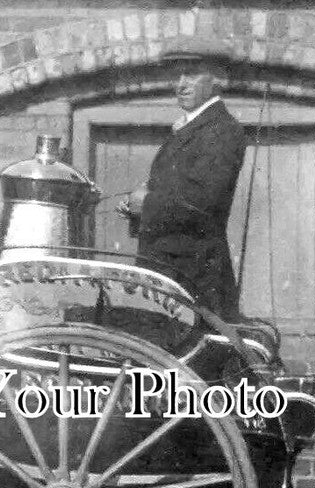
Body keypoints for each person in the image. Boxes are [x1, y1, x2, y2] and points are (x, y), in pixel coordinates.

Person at [119, 53, 246, 319]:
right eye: (178, 76)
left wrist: (147, 204)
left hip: (194, 273)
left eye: (192, 75)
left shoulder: (222, 130)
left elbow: (203, 199)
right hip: (169, 267)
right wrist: (137, 206)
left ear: (217, 80)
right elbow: (175, 192)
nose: (181, 84)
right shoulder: (192, 128)